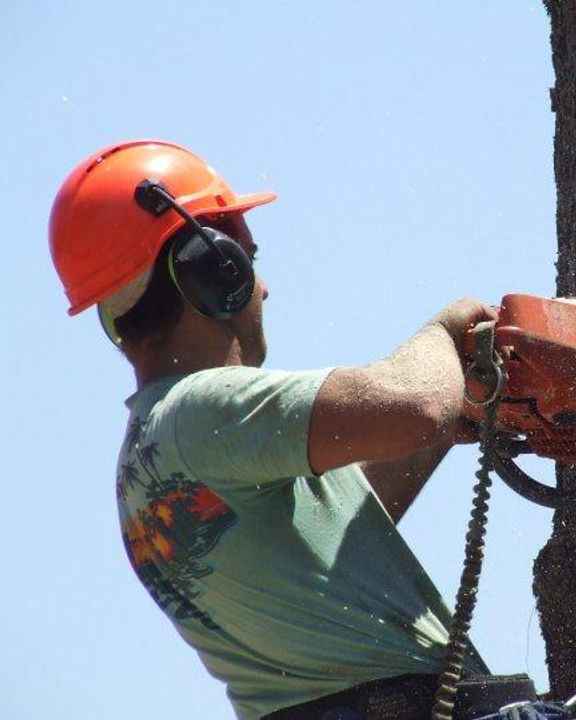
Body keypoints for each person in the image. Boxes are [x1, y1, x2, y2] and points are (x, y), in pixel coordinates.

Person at [49, 140, 496, 719]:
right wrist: (450, 328)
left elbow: (328, 530)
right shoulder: (206, 404)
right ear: (217, 271)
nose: (263, 289)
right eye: (248, 259)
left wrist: (454, 415)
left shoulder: (153, 453)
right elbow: (414, 405)